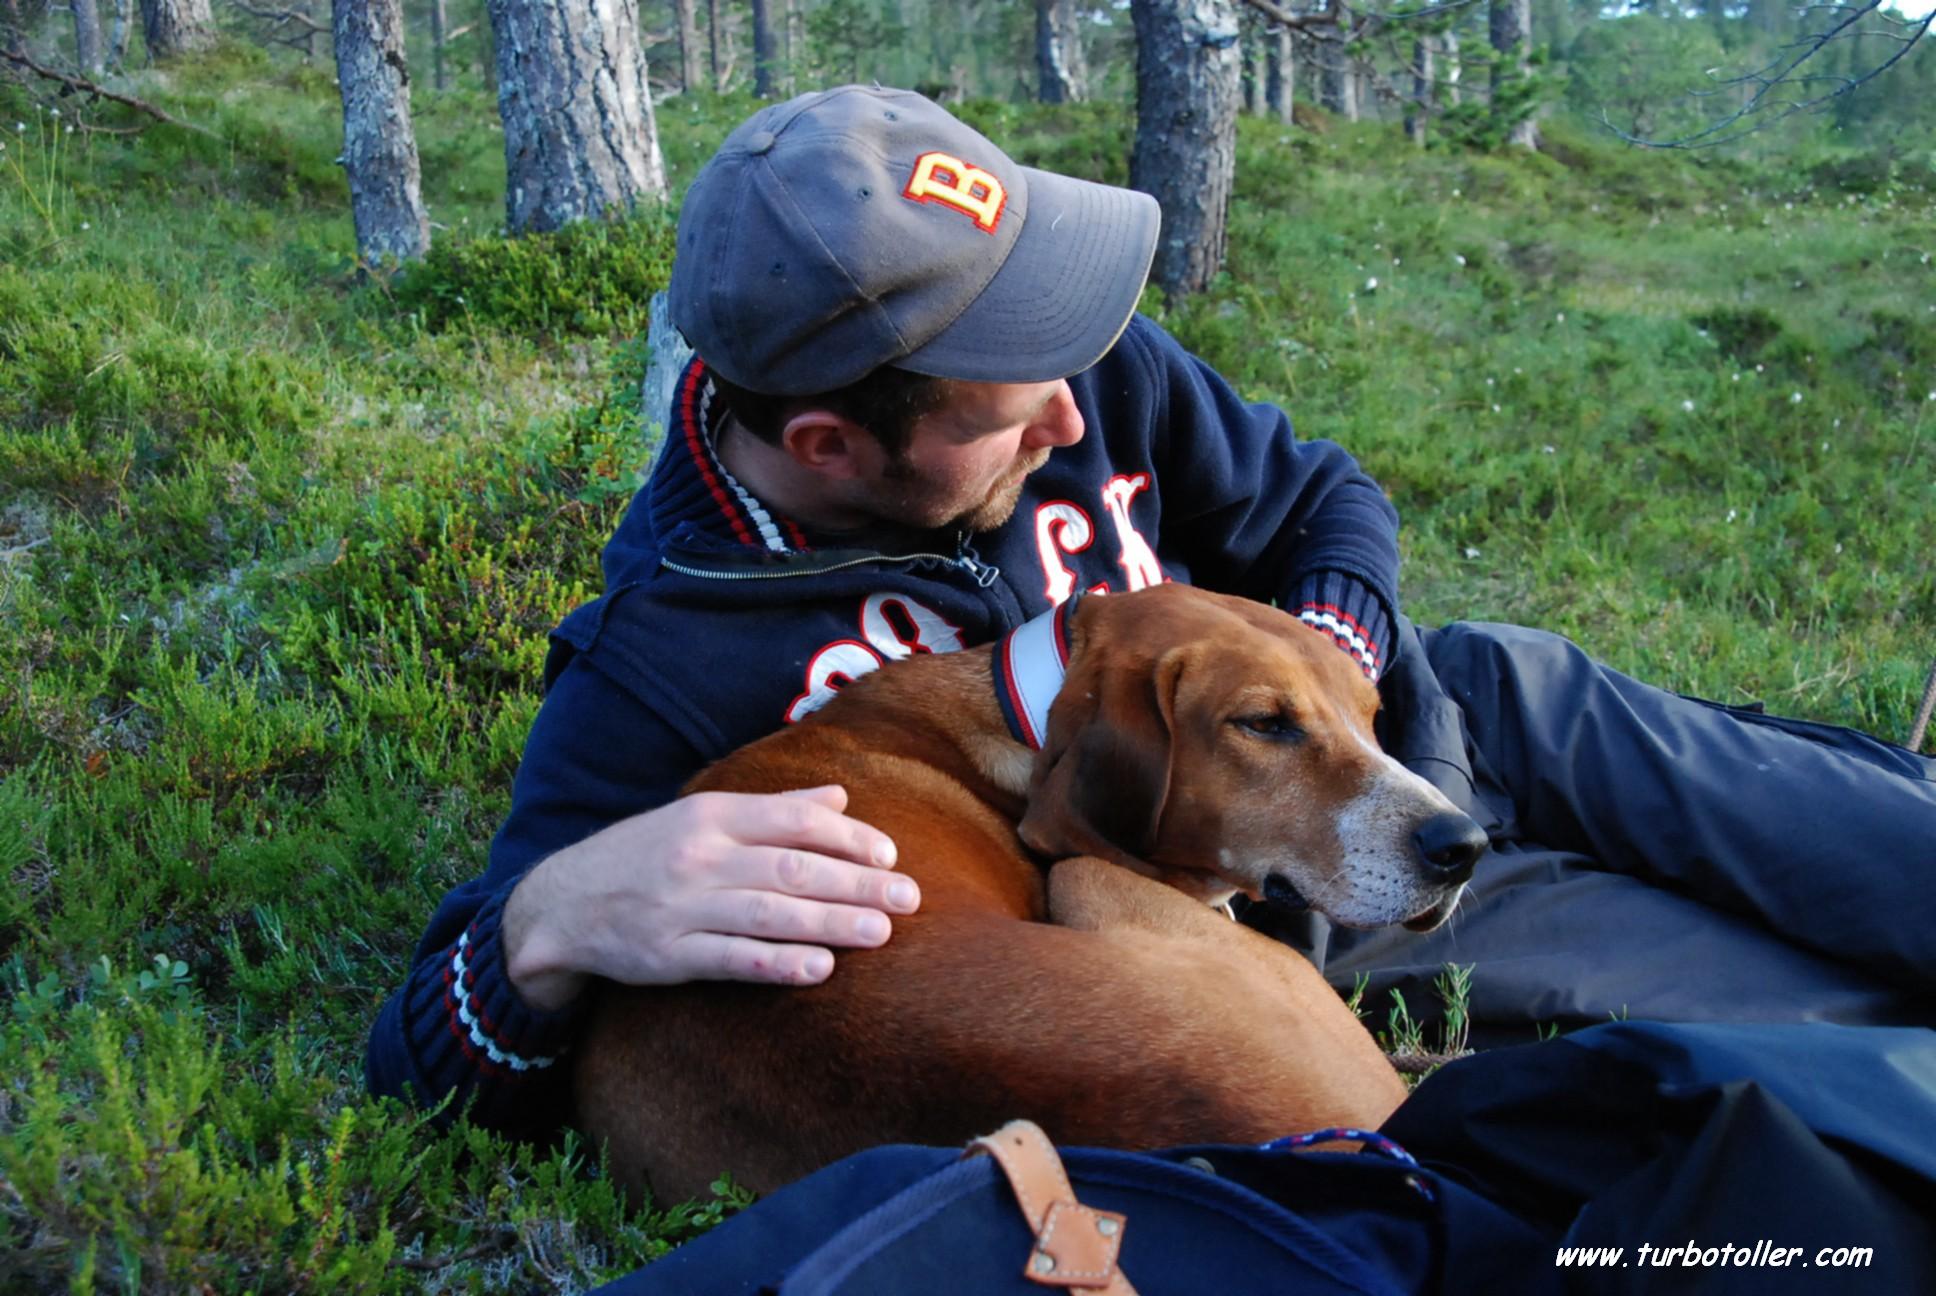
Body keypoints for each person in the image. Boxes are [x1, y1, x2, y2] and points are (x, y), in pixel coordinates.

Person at [366, 85, 1936, 1139]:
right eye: (1011, 409)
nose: (1073, 410)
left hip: (1401, 735)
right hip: (1258, 906)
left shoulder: (1064, 354)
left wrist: (1328, 649)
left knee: (1649, 739)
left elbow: (1323, 499)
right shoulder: (669, 656)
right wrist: (549, 922)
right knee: (1803, 1031)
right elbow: (421, 1067)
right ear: (838, 445)